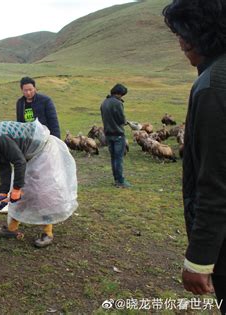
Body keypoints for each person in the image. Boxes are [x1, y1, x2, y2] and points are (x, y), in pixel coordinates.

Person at [163, 0, 226, 312]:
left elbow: (216, 181)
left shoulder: (212, 87)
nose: (180, 42)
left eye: (183, 32)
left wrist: (200, 259)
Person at [0, 119, 78, 248]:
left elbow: (19, 162)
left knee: (42, 194)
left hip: (43, 151)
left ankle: (47, 233)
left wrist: (17, 189)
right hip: (25, 156)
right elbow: (4, 167)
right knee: (19, 193)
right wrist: (3, 193)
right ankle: (11, 229)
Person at [100, 84, 131, 188]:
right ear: (118, 93)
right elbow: (121, 120)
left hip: (108, 134)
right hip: (118, 134)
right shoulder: (117, 103)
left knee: (113, 158)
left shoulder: (104, 102)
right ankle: (121, 181)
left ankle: (116, 179)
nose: (121, 97)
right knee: (119, 159)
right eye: (122, 95)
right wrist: (127, 122)